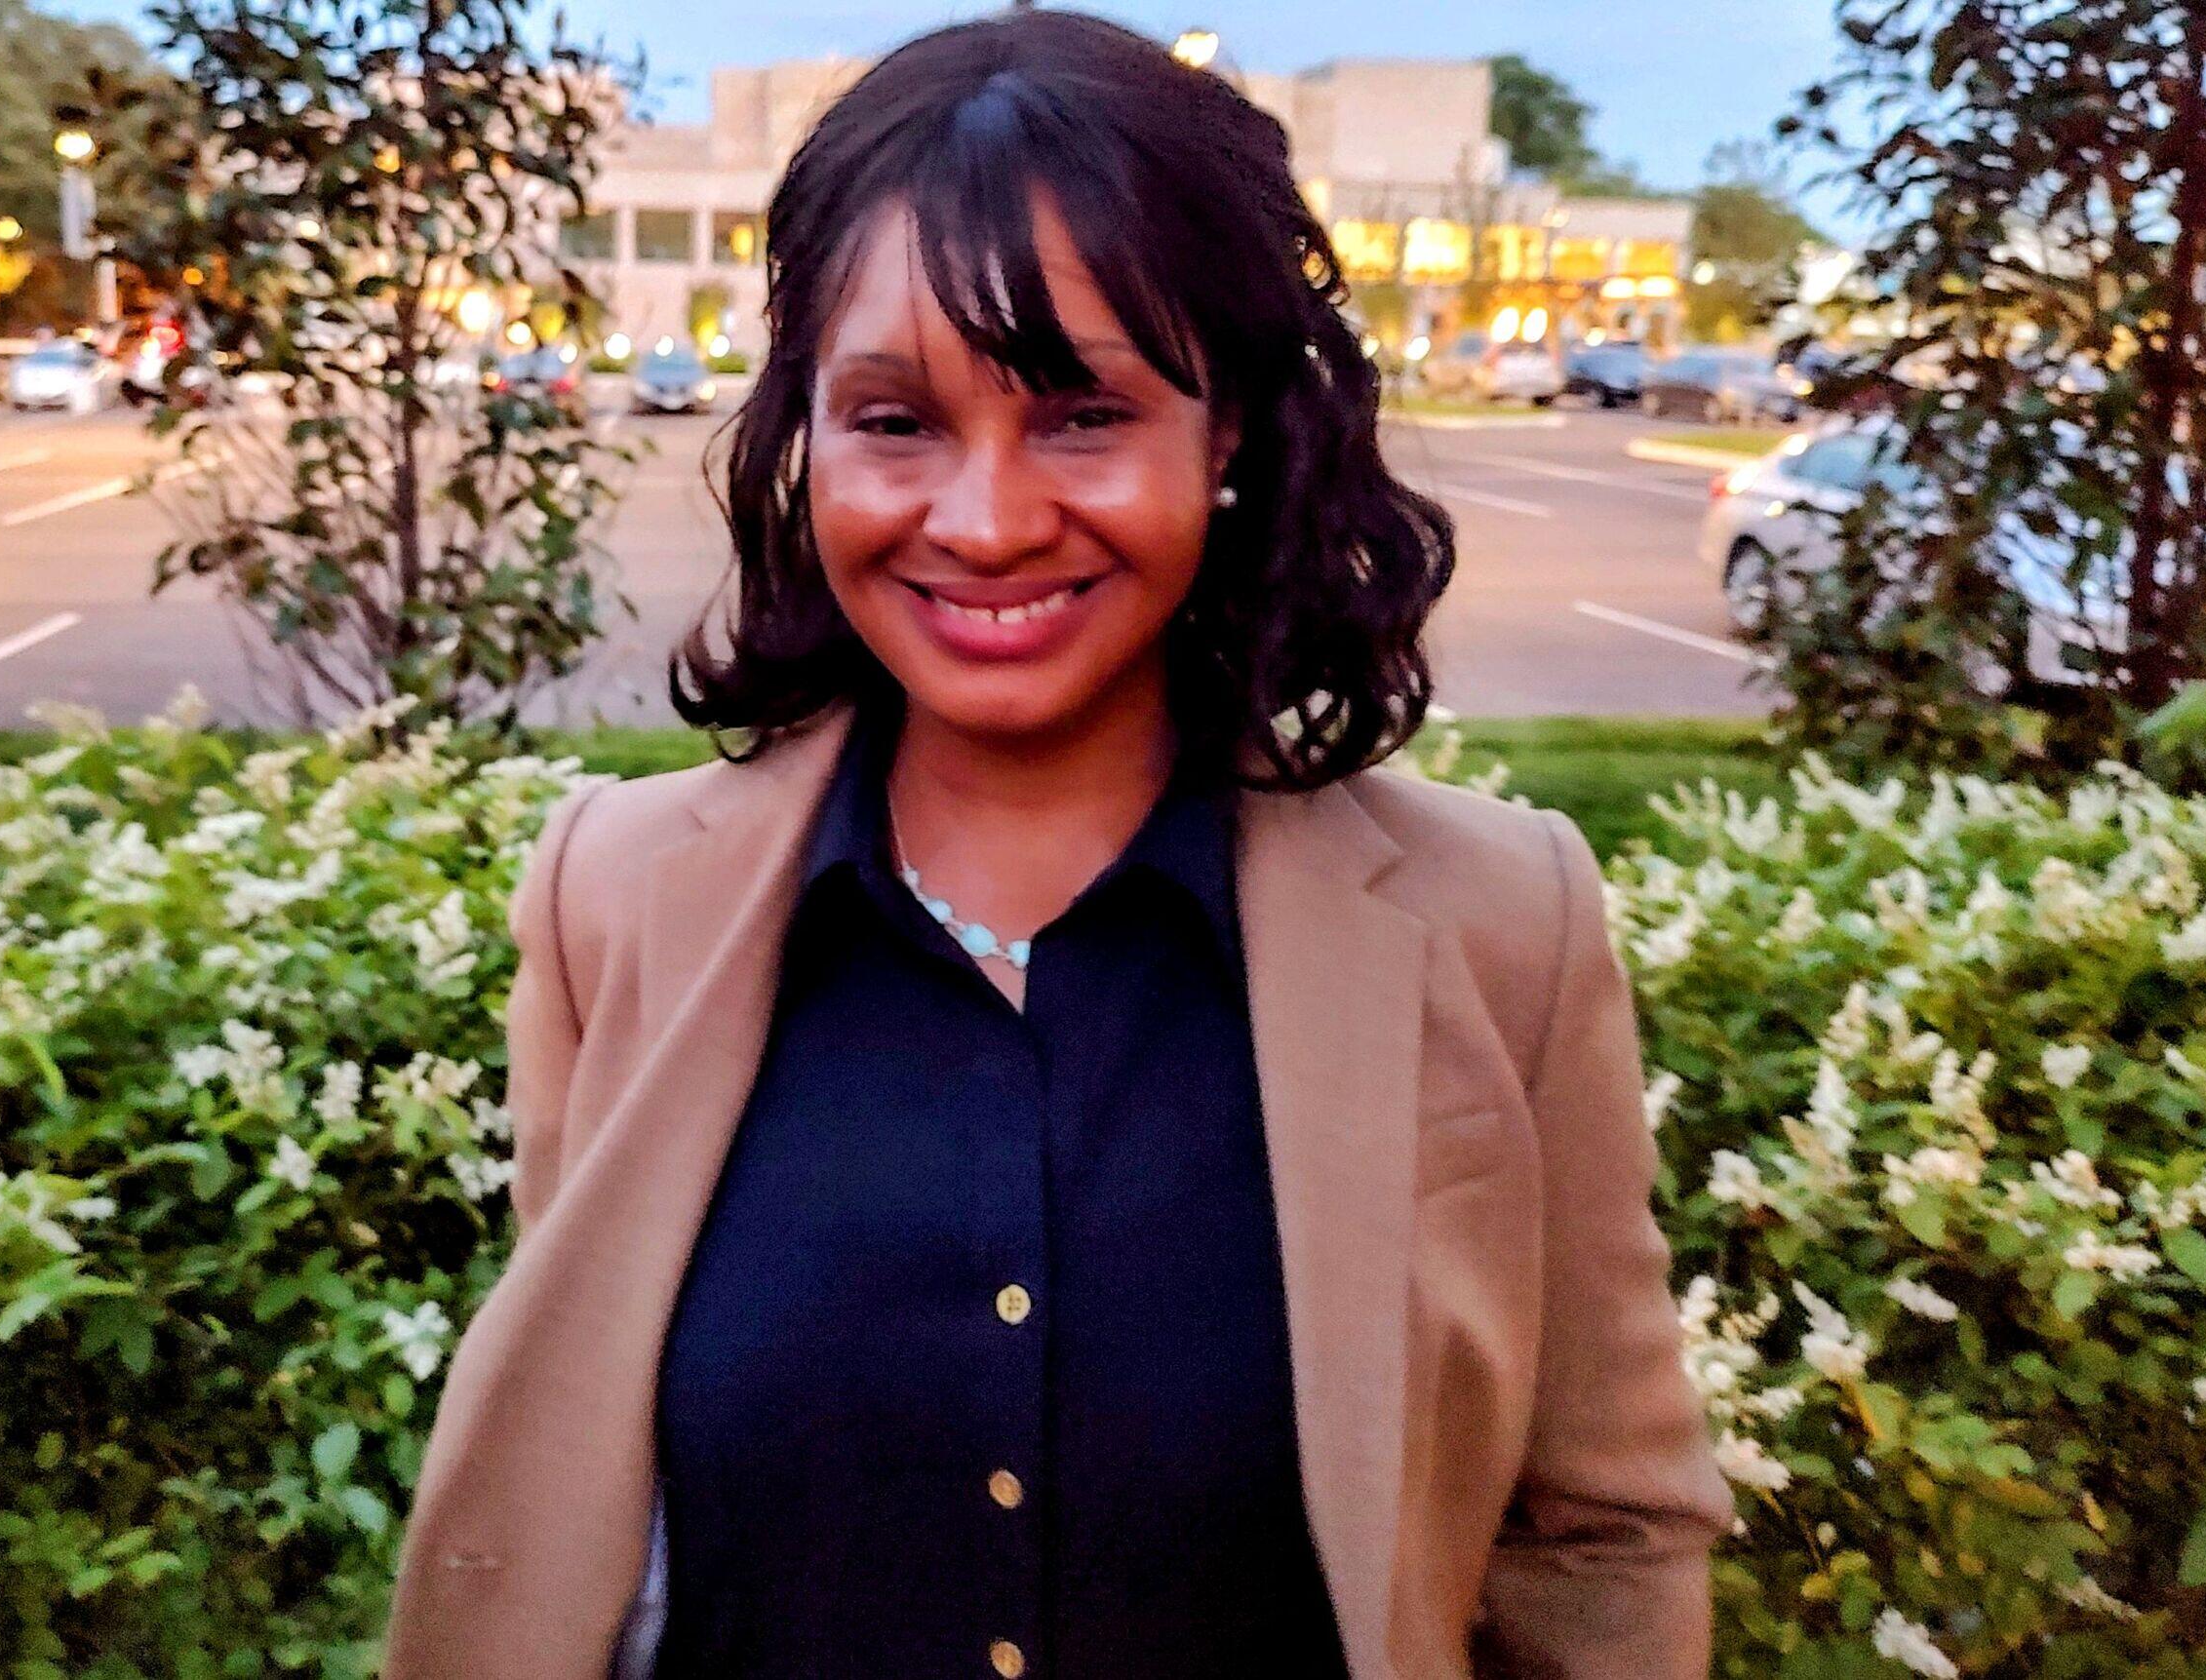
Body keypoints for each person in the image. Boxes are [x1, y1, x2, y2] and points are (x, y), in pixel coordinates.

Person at [380, 13, 1732, 1679]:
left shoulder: (1497, 926)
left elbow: (1606, 1532)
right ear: (806, 436)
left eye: (1081, 413)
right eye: (895, 420)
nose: (987, 519)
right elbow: (579, 1488)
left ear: (1226, 433)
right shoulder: (614, 904)